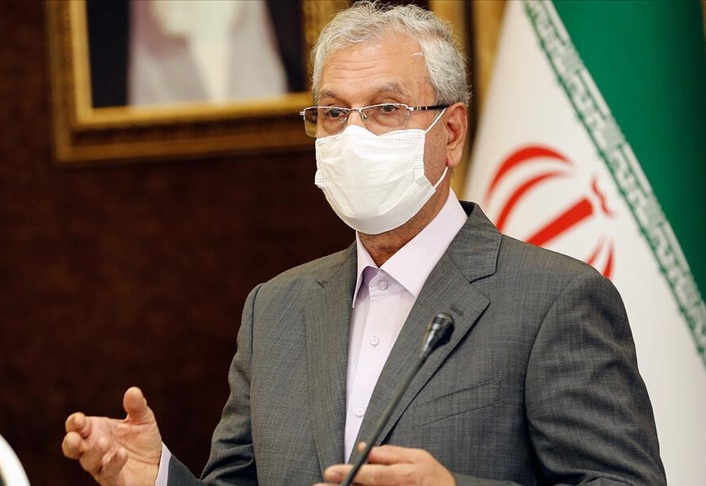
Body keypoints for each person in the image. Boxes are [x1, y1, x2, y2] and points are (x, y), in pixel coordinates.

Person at [62, 2, 666, 485]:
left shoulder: (555, 300)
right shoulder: (275, 310)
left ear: (452, 132)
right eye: (332, 113)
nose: (353, 134)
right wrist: (158, 478)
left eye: (385, 109)